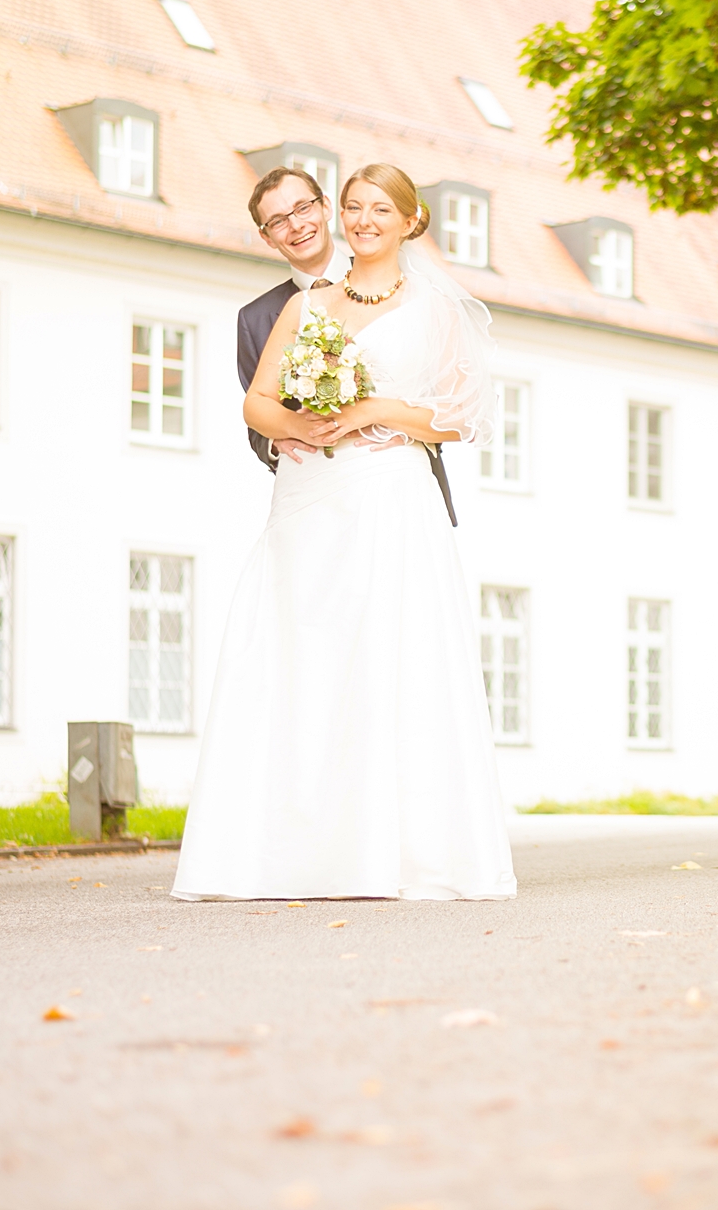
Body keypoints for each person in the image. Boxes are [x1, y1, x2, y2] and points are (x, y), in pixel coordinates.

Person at [171, 163, 516, 902]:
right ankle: (286, 849)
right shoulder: (303, 306)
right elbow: (255, 405)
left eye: (375, 208)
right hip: (311, 498)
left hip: (390, 496)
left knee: (392, 663)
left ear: (408, 220)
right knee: (300, 659)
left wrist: (373, 411)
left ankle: (392, 850)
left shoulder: (433, 309)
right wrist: (302, 426)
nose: (361, 219)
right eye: (356, 207)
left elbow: (462, 416)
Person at [233, 167, 457, 521]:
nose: (295, 225)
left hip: (397, 485)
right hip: (313, 490)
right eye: (278, 221)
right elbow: (258, 416)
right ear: (267, 236)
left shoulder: (407, 288)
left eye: (302, 208)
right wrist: (285, 436)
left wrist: (397, 427)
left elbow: (450, 402)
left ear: (324, 207)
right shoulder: (258, 318)